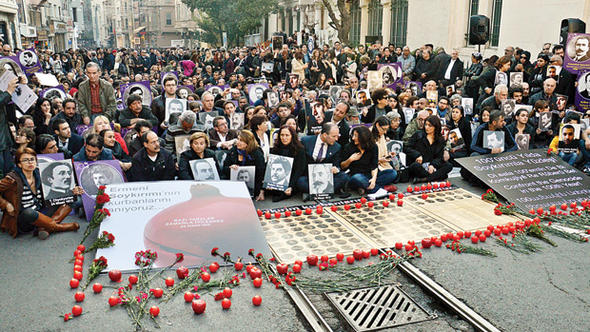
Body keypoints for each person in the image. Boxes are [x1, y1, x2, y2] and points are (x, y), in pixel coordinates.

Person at [0, 148, 80, 239]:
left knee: (72, 199)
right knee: (29, 212)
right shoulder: (11, 179)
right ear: (19, 164)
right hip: (23, 219)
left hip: (40, 211)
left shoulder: (38, 173)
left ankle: (44, 228)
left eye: (32, 159)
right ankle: (59, 227)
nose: (30, 162)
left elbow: (56, 191)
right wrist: (6, 204)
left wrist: (73, 191)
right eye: (25, 160)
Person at [297, 123, 350, 200]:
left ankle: (313, 193)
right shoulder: (306, 141)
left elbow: (337, 164)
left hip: (326, 177)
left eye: (337, 136)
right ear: (325, 135)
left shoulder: (337, 147)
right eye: (334, 136)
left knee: (344, 177)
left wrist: (336, 169)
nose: (336, 139)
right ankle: (326, 192)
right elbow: (299, 162)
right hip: (309, 176)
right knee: (300, 182)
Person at [405, 115, 453, 183]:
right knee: (415, 166)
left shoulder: (440, 139)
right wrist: (417, 155)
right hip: (419, 165)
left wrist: (432, 165)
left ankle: (425, 179)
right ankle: (436, 176)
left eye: (430, 125)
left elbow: (439, 157)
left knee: (449, 165)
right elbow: (406, 148)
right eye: (426, 125)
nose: (426, 127)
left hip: (431, 165)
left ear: (436, 127)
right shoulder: (418, 134)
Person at [222, 130, 266, 201]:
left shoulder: (257, 153)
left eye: (241, 140)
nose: (238, 142)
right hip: (234, 186)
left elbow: (261, 173)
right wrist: (230, 168)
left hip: (252, 187)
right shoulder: (233, 151)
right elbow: (224, 168)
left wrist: (261, 191)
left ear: (248, 142)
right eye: (238, 139)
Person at [268, 125, 306, 202]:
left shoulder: (300, 149)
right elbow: (271, 168)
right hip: (279, 176)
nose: (284, 138)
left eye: (287, 135)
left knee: (297, 185)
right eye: (282, 135)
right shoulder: (275, 149)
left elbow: (299, 170)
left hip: (293, 177)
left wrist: (291, 186)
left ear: (292, 136)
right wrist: (270, 182)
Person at [340, 126, 381, 195]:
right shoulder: (348, 147)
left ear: (363, 137)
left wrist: (374, 179)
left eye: (356, 136)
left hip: (369, 174)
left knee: (392, 173)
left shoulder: (373, 147)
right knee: (357, 178)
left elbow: (374, 165)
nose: (353, 138)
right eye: (353, 135)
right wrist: (350, 159)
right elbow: (342, 166)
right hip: (355, 175)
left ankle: (364, 186)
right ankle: (377, 190)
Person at [372, 116, 399, 191]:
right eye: (383, 129)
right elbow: (367, 157)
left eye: (386, 129)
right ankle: (375, 186)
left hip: (382, 163)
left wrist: (389, 155)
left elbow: (383, 151)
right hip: (372, 166)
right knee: (393, 174)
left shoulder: (382, 135)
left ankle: (370, 185)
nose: (385, 132)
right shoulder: (369, 135)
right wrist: (380, 160)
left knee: (394, 174)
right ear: (377, 125)